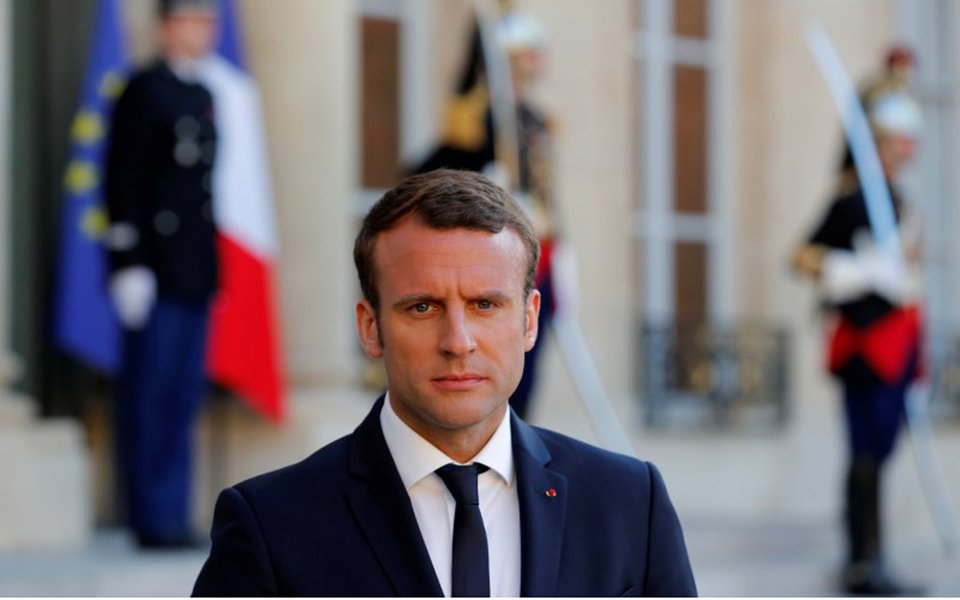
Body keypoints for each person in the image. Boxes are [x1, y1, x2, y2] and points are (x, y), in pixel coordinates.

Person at [192, 169, 696, 596]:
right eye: (422, 307)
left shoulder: (630, 504)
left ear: (529, 320)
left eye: (484, 305)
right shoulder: (272, 525)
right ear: (371, 328)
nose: (458, 341)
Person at [792, 53, 925, 595]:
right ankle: (861, 560)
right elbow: (802, 255)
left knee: (881, 452)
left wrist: (901, 279)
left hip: (897, 341)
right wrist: (854, 270)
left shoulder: (899, 200)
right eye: (896, 139)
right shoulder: (850, 201)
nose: (904, 150)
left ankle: (873, 555)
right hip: (863, 344)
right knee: (865, 451)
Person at [104, 0, 220, 548]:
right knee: (148, 393)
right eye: (193, 20)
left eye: (208, 21)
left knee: (182, 393)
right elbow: (121, 178)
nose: (203, 32)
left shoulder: (204, 94)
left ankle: (174, 511)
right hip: (152, 265)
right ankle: (148, 515)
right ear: (167, 26)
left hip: (193, 268)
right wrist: (126, 261)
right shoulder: (142, 89)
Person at [413, 6, 567, 420]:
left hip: (541, 249)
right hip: (500, 250)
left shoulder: (534, 117)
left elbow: (547, 192)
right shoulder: (480, 116)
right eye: (527, 53)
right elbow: (437, 170)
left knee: (531, 357)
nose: (536, 61)